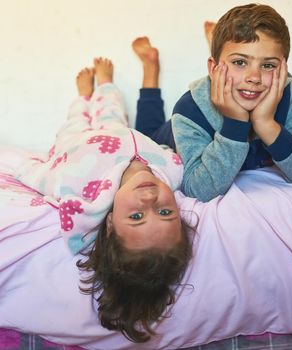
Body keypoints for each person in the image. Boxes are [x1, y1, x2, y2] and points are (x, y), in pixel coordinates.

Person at [14, 58, 193, 343]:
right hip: (118, 132)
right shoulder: (174, 172)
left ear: (109, 222)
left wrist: (25, 169)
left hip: (76, 144)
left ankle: (83, 96)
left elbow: (42, 176)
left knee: (74, 123)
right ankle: (106, 84)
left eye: (136, 217)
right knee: (112, 114)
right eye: (165, 211)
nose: (149, 198)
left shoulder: (79, 185)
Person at [167, 3, 292, 202]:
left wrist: (266, 124)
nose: (254, 77)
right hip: (167, 133)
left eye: (268, 65)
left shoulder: (291, 96)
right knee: (146, 131)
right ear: (213, 69)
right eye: (240, 62)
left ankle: (225, 50)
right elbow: (197, 189)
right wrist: (235, 124)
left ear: (283, 69)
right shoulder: (189, 110)